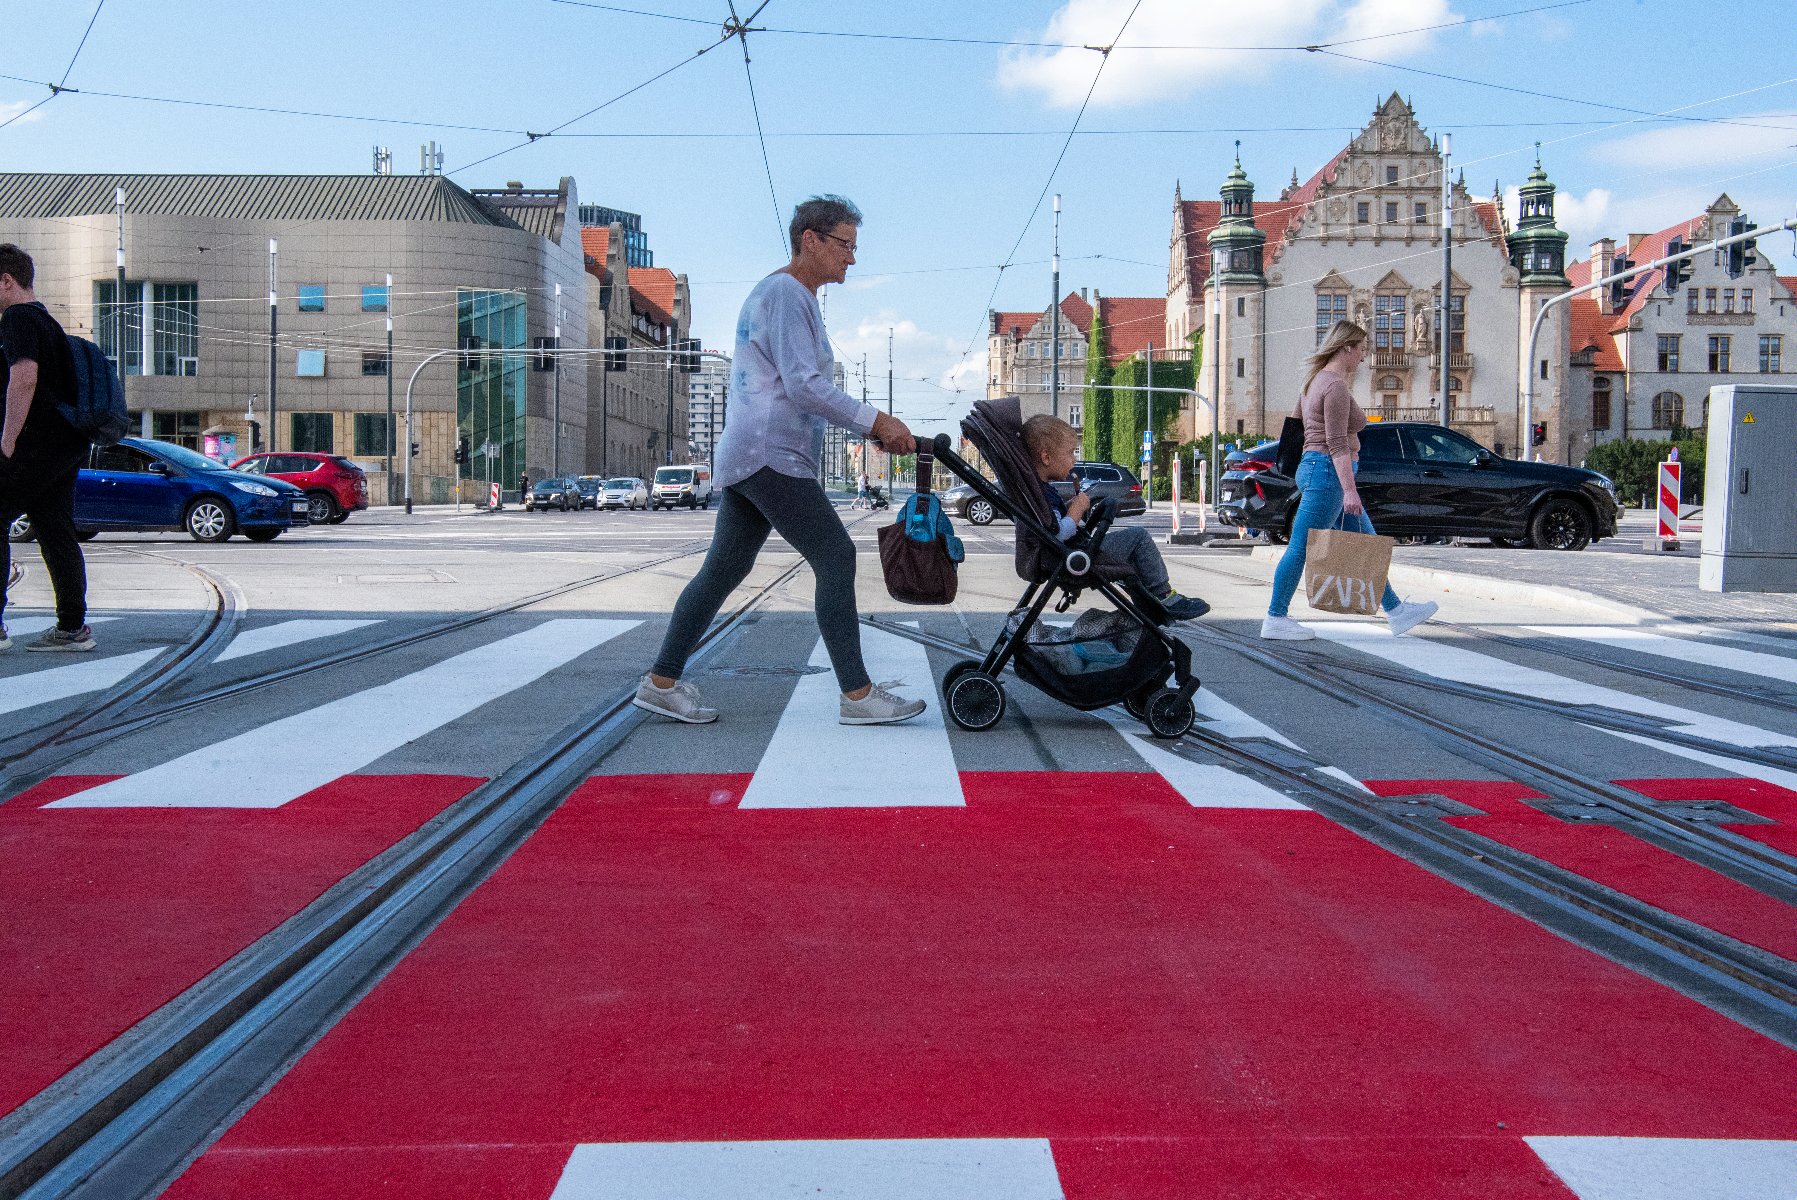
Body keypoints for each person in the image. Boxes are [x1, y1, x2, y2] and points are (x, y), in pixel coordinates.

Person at [634, 195, 926, 726]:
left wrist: (868, 428)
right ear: (809, 240)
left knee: (724, 569)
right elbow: (804, 385)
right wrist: (876, 421)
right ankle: (857, 696)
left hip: (750, 452)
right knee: (835, 556)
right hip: (771, 454)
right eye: (845, 244)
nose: (852, 258)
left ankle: (661, 681)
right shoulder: (789, 293)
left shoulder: (784, 294)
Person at [1262, 320, 1437, 640]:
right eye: (1361, 350)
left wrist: (1347, 382)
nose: (1364, 357)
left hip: (1315, 468)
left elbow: (1317, 426)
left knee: (1366, 545)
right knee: (1300, 546)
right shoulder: (1334, 386)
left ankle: (1396, 611)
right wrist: (1350, 491)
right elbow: (1336, 444)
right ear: (1347, 347)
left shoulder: (1316, 380)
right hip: (1328, 472)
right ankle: (1275, 617)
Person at [0, 243, 95, 652]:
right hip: (65, 444)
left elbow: (24, 378)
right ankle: (72, 628)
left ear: (6, 281)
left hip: (32, 444)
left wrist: (7, 439)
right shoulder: (47, 323)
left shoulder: (18, 318)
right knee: (56, 532)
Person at [1023, 414, 1208, 621]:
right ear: (1047, 457)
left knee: (1128, 549)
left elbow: (1051, 524)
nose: (1074, 460)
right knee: (1138, 538)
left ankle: (1146, 601)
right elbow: (1057, 533)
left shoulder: (1038, 491)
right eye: (1070, 453)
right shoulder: (1044, 493)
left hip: (1061, 554)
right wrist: (1076, 511)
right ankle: (1162, 594)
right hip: (1068, 555)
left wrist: (1071, 508)